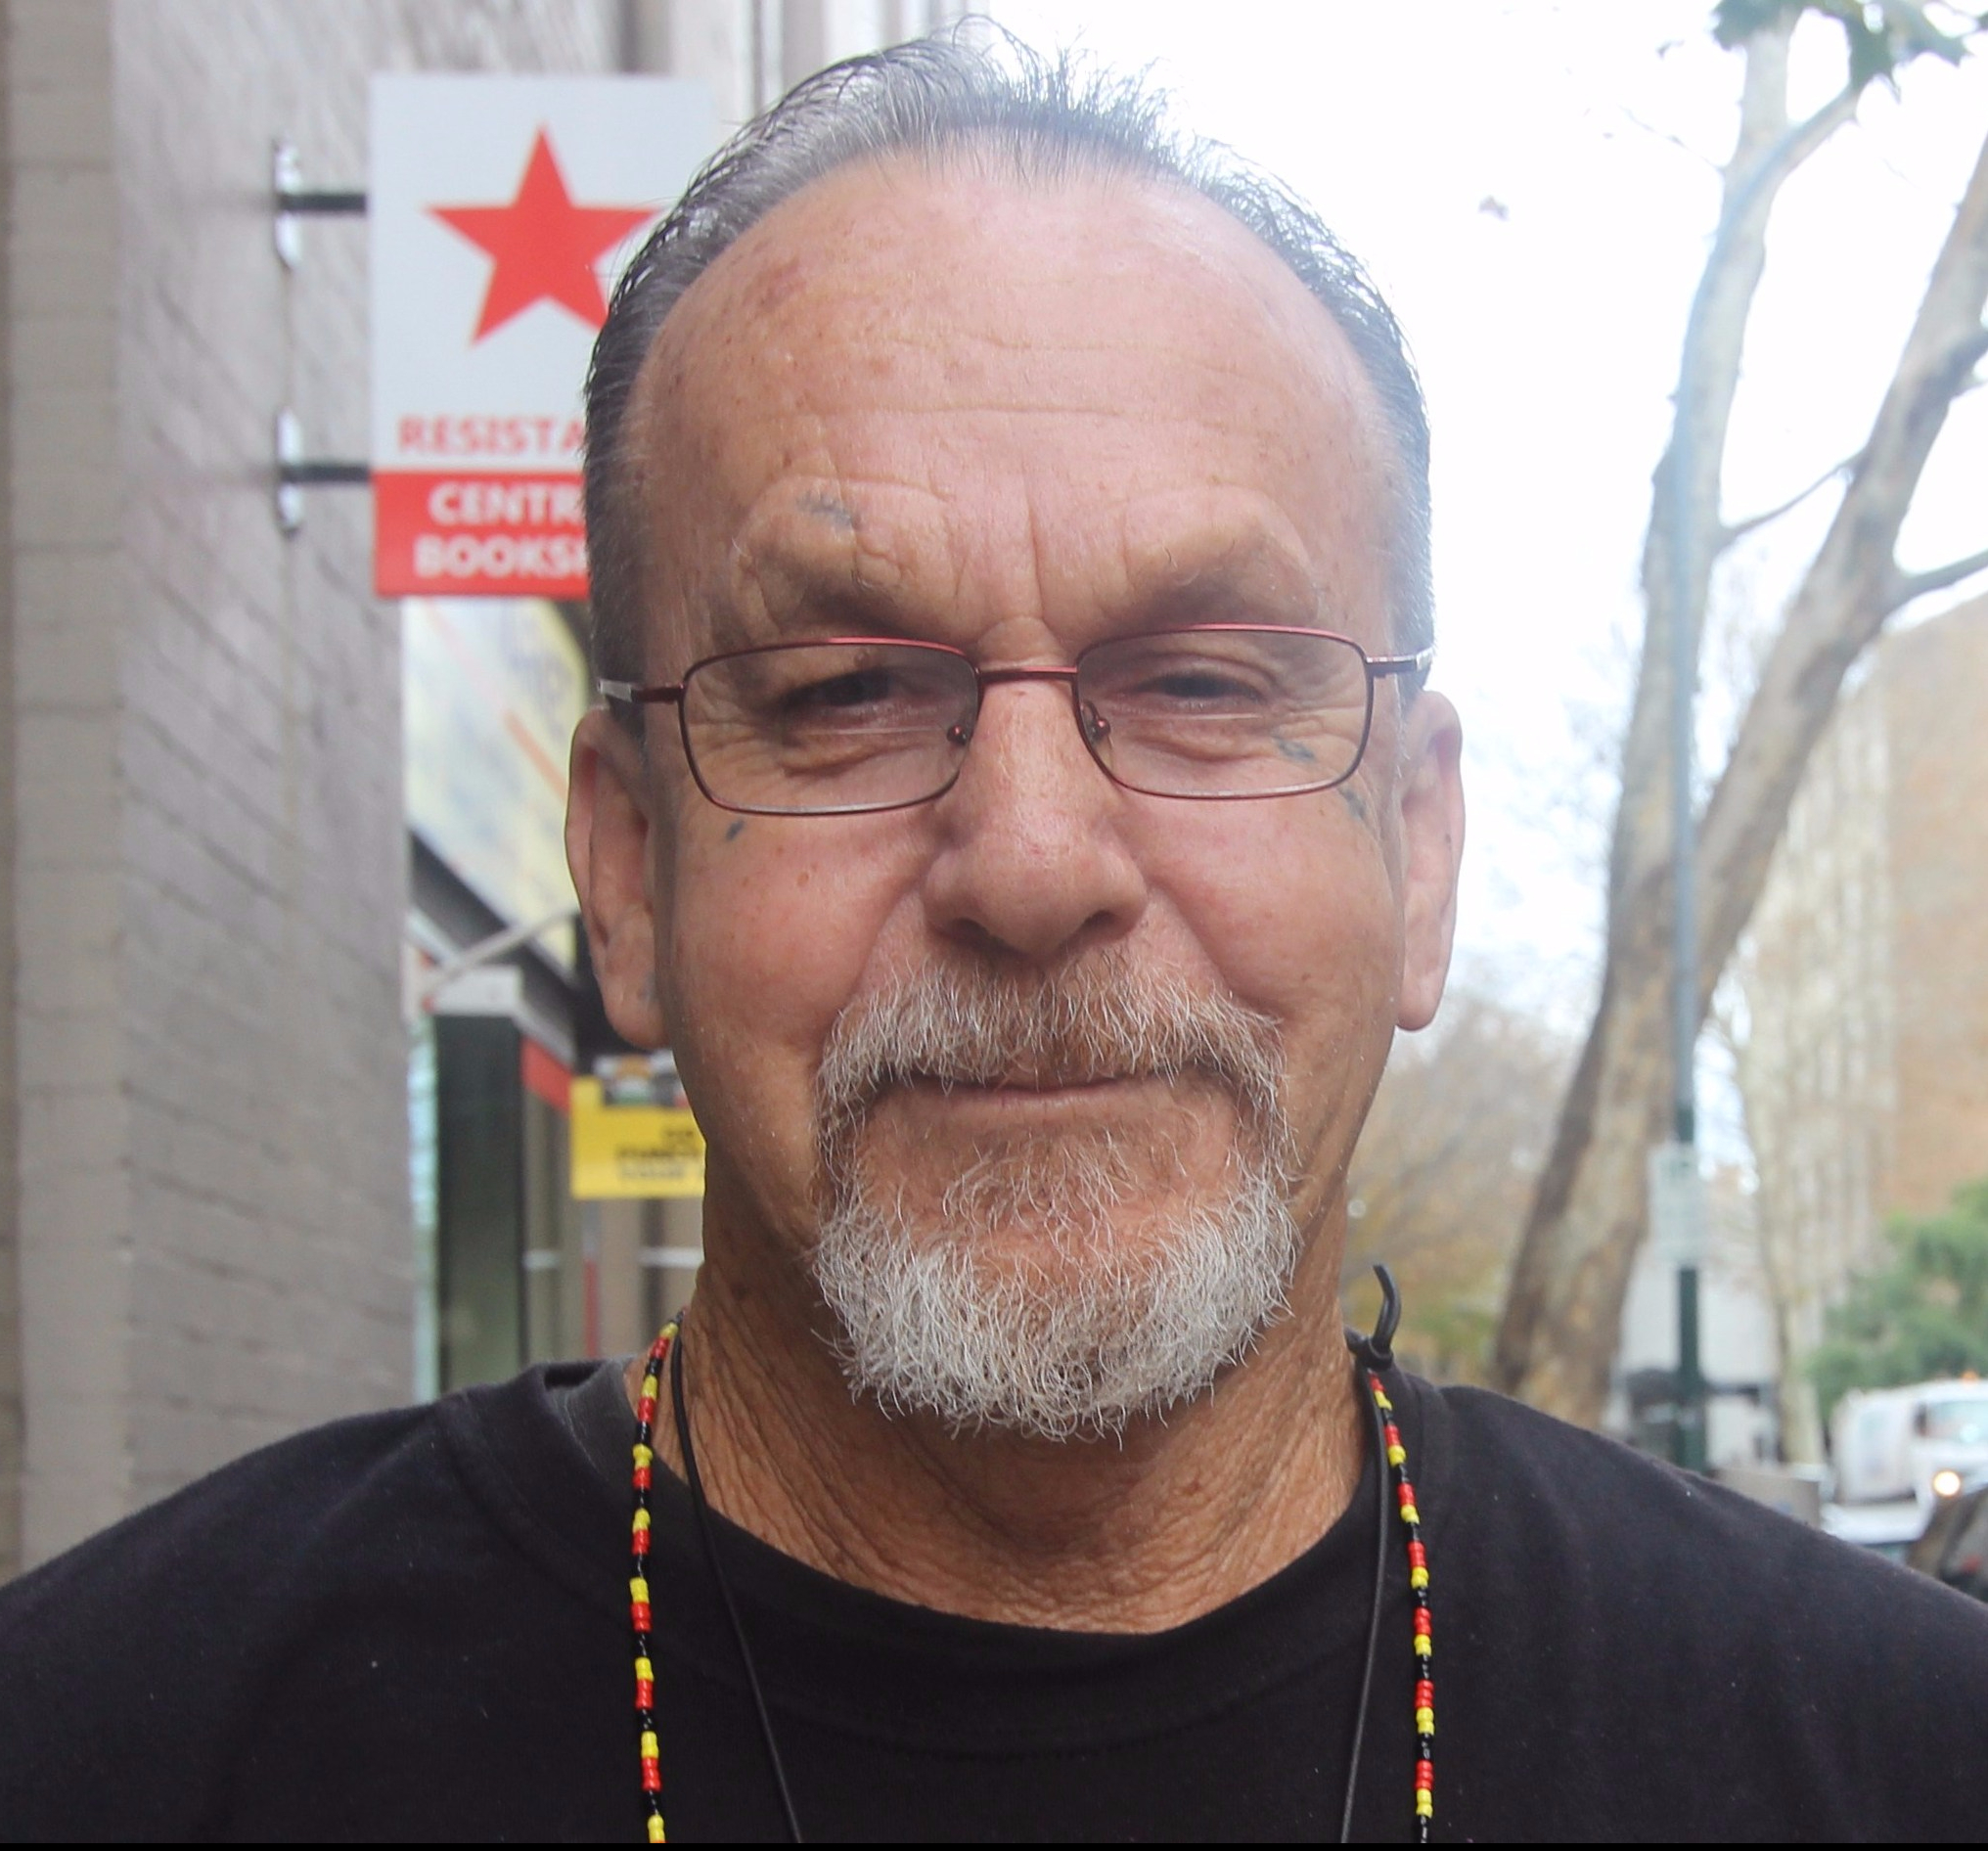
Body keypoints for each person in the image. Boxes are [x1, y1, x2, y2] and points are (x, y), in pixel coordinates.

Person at [2, 37, 1984, 1845]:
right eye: (846, 691)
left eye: (1202, 681)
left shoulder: (1897, 1759)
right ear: (624, 870)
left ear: (1418, 847)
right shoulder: (102, 1754)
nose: (1032, 865)